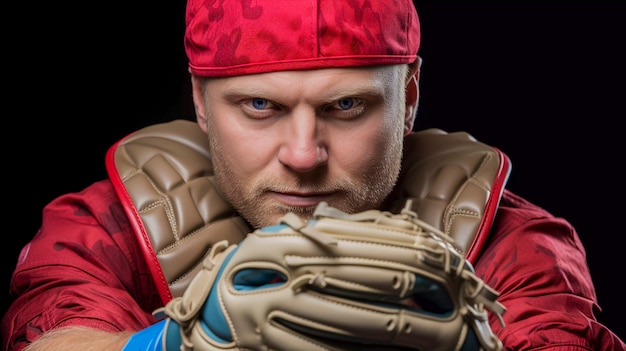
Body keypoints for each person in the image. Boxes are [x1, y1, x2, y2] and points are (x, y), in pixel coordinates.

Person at [2, 0, 625, 350]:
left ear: (409, 96)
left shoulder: (516, 245)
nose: (303, 155)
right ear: (199, 100)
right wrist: (172, 346)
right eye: (260, 107)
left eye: (346, 106)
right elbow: (54, 332)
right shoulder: (105, 225)